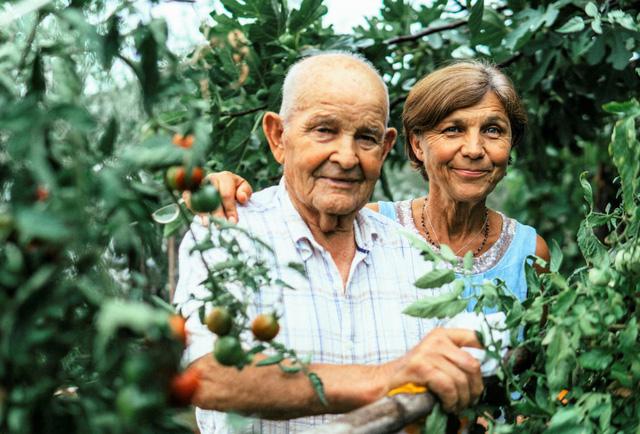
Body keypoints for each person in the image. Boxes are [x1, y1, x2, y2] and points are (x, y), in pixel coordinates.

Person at [174, 52, 484, 433]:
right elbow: (205, 374)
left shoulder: (421, 260)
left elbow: (459, 386)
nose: (347, 156)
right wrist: (383, 379)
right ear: (278, 137)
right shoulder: (227, 233)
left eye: (366, 138)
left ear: (385, 149)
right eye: (324, 130)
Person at [209, 60, 551, 311]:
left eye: (493, 130)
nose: (474, 150)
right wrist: (224, 191)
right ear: (417, 145)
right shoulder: (370, 229)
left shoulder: (530, 251)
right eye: (452, 130)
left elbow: (539, 370)